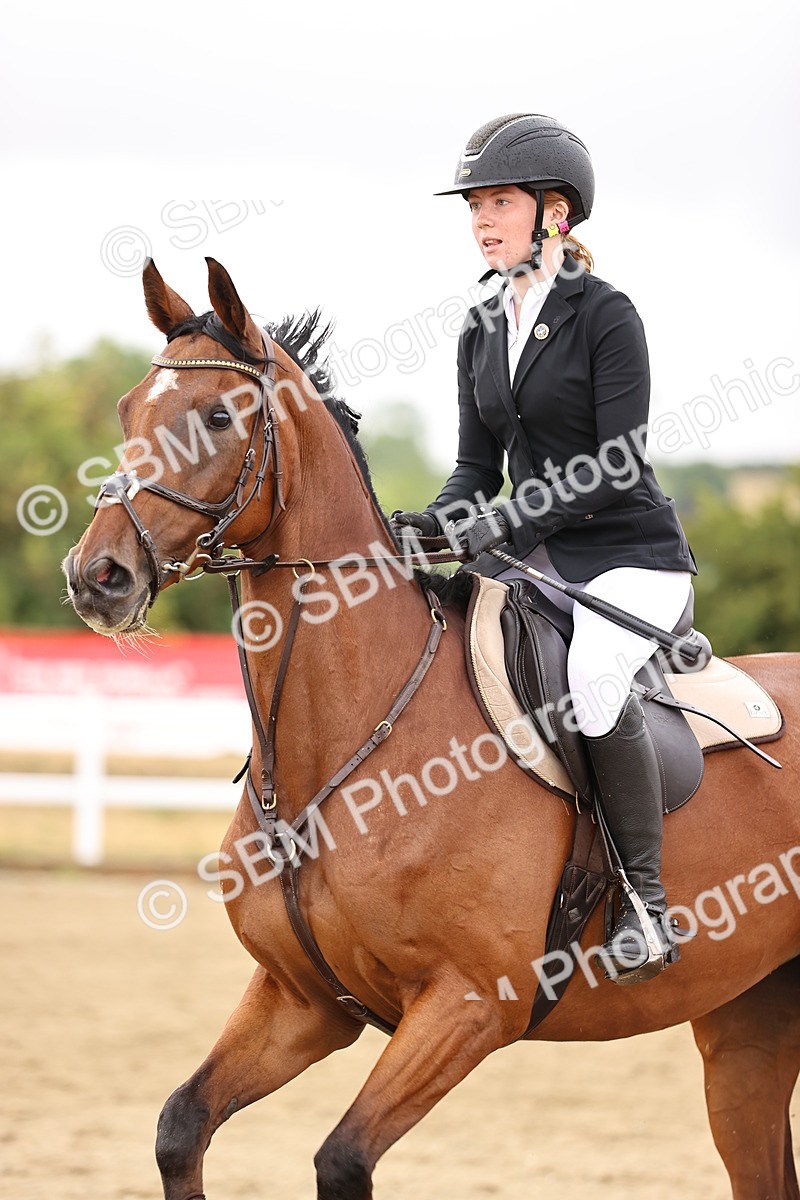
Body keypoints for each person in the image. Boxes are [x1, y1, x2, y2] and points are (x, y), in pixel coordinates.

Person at [391, 113, 697, 984]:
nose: (482, 221)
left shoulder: (607, 315)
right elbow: (473, 466)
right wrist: (435, 522)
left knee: (594, 687)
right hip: (538, 553)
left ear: (553, 214)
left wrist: (505, 521)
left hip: (631, 556)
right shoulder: (481, 323)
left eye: (499, 203)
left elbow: (616, 463)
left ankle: (645, 903)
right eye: (475, 207)